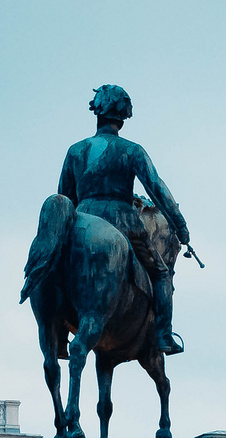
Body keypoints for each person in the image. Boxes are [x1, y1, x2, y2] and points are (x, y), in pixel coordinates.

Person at [57, 85, 190, 354]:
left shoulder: (75, 151)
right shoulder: (132, 150)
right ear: (123, 115)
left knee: (58, 264)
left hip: (81, 217)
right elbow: (156, 187)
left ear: (97, 112)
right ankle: (163, 335)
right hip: (123, 222)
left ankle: (59, 334)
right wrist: (180, 224)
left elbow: (64, 196)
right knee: (162, 272)